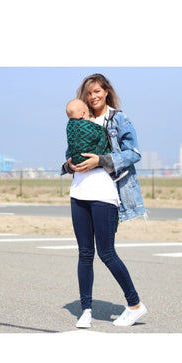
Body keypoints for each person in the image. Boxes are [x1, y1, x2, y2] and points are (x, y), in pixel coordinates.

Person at [61, 73, 147, 328]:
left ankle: (135, 305)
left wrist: (101, 160)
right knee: (84, 253)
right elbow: (70, 153)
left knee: (106, 253)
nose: (93, 96)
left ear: (106, 91)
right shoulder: (78, 119)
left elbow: (134, 153)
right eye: (89, 93)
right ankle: (85, 310)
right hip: (79, 193)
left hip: (104, 193)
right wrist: (69, 165)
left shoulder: (117, 119)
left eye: (97, 91)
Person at [66, 99, 129, 181]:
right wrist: (96, 126)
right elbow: (99, 133)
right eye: (88, 113)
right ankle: (114, 173)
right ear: (83, 113)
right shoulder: (86, 125)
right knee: (104, 148)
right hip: (91, 159)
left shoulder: (69, 127)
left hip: (77, 163)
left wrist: (70, 165)